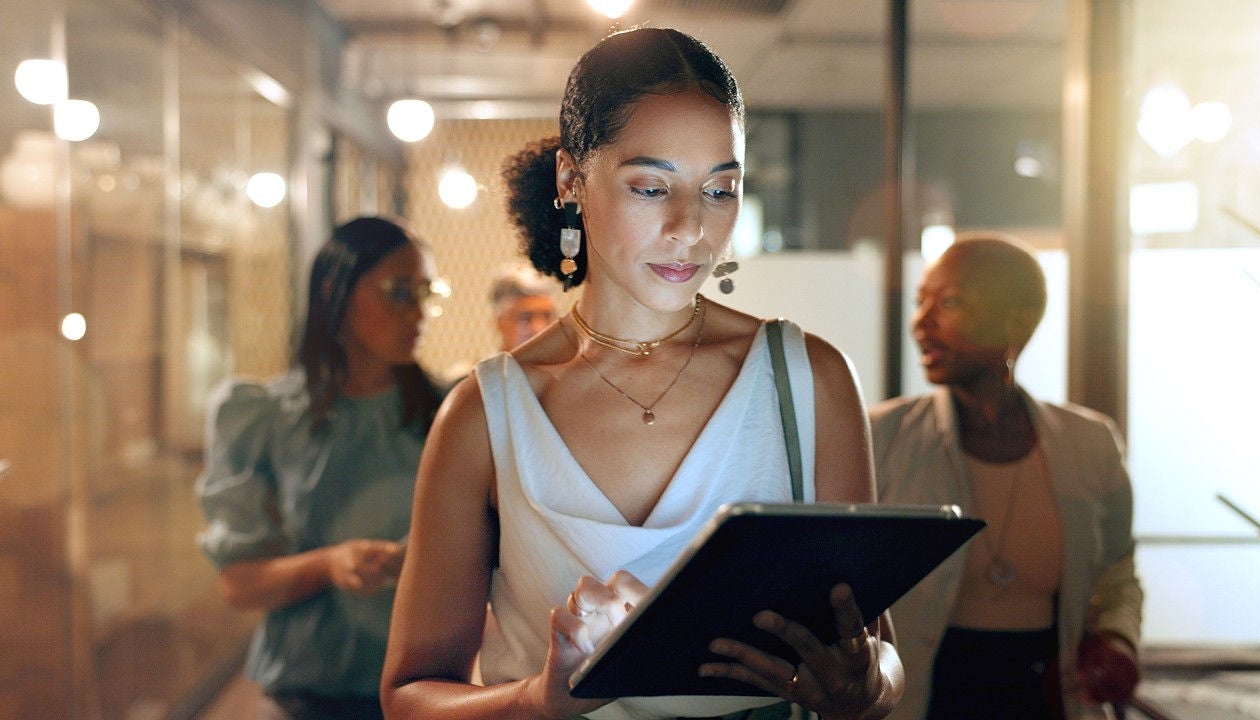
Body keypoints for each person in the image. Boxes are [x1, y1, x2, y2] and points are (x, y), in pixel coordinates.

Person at [381, 26, 903, 720]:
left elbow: (879, 649)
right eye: (653, 187)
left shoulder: (809, 380)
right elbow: (409, 696)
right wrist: (538, 701)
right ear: (572, 179)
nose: (690, 227)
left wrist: (866, 687)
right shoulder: (487, 413)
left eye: (720, 191)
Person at [869, 234, 1143, 720]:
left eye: (950, 302)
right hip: (926, 697)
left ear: (1021, 320)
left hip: (1048, 696)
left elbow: (1117, 572)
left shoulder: (1089, 442)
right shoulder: (882, 437)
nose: (920, 323)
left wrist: (1117, 639)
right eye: (920, 302)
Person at [196, 216, 450, 720]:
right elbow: (240, 583)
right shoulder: (264, 416)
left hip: (425, 688)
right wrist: (329, 564)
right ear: (336, 292)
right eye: (398, 292)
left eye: (425, 292)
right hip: (306, 690)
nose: (417, 313)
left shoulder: (450, 413)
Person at [491, 263, 560, 352]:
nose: (539, 328)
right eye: (526, 318)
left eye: (547, 316)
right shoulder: (483, 366)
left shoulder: (570, 365)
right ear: (501, 323)